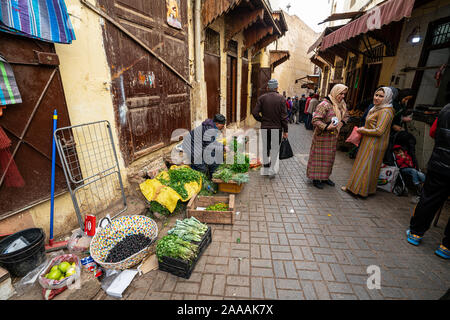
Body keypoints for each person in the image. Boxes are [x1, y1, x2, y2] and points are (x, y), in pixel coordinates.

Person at [406, 103, 450, 260]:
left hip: (439, 165)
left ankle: (415, 233)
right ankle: (446, 247)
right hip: (441, 165)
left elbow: (433, 133)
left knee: (429, 199)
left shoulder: (446, 109)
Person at [342, 87, 395, 197]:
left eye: (381, 96)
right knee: (364, 165)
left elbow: (380, 131)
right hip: (368, 141)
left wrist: (363, 130)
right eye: (376, 95)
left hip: (374, 143)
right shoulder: (377, 108)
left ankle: (360, 191)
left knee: (366, 166)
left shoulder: (386, 111)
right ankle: (356, 188)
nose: (377, 98)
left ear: (387, 98)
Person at [306, 84, 349, 189]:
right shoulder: (324, 104)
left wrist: (342, 123)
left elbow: (346, 115)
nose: (343, 96)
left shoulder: (342, 104)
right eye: (341, 93)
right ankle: (316, 178)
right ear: (335, 92)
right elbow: (315, 120)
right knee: (319, 158)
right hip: (322, 137)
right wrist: (326, 127)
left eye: (344, 94)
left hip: (333, 138)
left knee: (329, 159)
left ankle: (325, 177)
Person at [252, 79, 288, 177]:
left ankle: (266, 168)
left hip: (265, 128)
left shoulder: (262, 98)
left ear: (267, 88)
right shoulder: (281, 99)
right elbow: (284, 117)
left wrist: (262, 120)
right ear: (277, 88)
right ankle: (272, 169)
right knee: (275, 149)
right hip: (277, 128)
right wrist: (286, 130)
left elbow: (255, 113)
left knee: (265, 148)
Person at [182, 113, 226, 179]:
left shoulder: (212, 127)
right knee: (202, 168)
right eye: (222, 126)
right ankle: (193, 177)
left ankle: (212, 178)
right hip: (191, 146)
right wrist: (223, 147)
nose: (223, 128)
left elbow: (211, 142)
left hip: (199, 145)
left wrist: (222, 147)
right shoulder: (210, 129)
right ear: (217, 124)